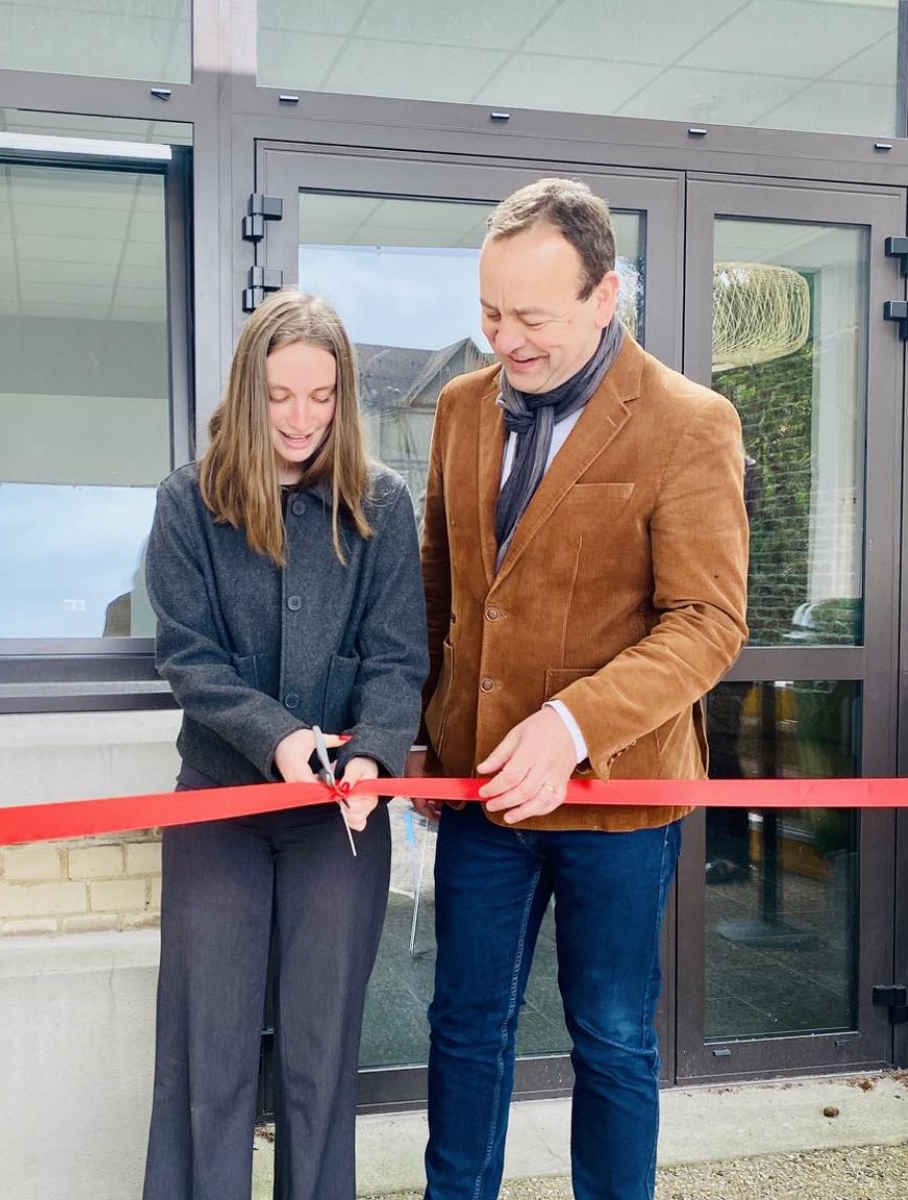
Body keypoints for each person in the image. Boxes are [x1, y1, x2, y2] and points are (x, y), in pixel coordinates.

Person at [416, 178, 749, 1200]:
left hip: (620, 797)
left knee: (610, 1036)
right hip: (480, 790)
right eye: (489, 313)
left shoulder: (690, 422)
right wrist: (423, 731)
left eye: (531, 317)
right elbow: (441, 585)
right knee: (464, 1025)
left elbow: (707, 622)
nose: (504, 340)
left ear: (605, 297)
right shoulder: (460, 409)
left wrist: (571, 725)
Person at [142, 289, 428, 1200]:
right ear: (246, 392)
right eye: (278, 396)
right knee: (208, 1050)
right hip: (221, 802)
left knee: (320, 1051)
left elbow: (397, 657)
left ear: (343, 398)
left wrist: (375, 753)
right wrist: (275, 738)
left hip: (339, 817)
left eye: (321, 396)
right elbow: (188, 656)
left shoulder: (381, 503)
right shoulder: (188, 502)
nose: (300, 418)